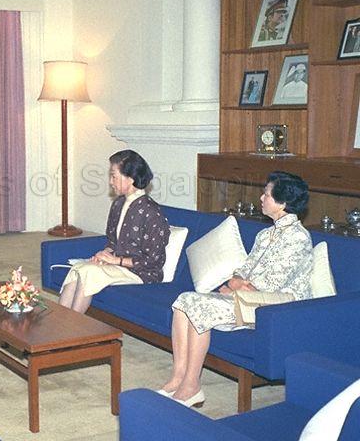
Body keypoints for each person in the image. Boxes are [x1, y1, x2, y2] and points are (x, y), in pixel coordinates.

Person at [160, 171, 312, 407]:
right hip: (246, 298)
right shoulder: (265, 234)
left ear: (283, 203)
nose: (262, 198)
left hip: (275, 309)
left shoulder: (298, 238)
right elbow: (244, 270)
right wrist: (237, 283)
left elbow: (270, 286)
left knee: (199, 307)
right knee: (183, 302)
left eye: (267, 194)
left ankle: (191, 386)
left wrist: (237, 287)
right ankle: (178, 377)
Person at [58, 150, 170, 314]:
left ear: (130, 178)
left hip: (142, 274)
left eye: (114, 176)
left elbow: (153, 260)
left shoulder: (151, 212)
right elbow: (112, 242)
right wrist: (104, 254)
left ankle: (71, 332)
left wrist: (116, 260)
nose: (110, 182)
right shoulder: (118, 204)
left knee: (89, 272)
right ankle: (59, 327)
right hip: (119, 266)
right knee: (79, 268)